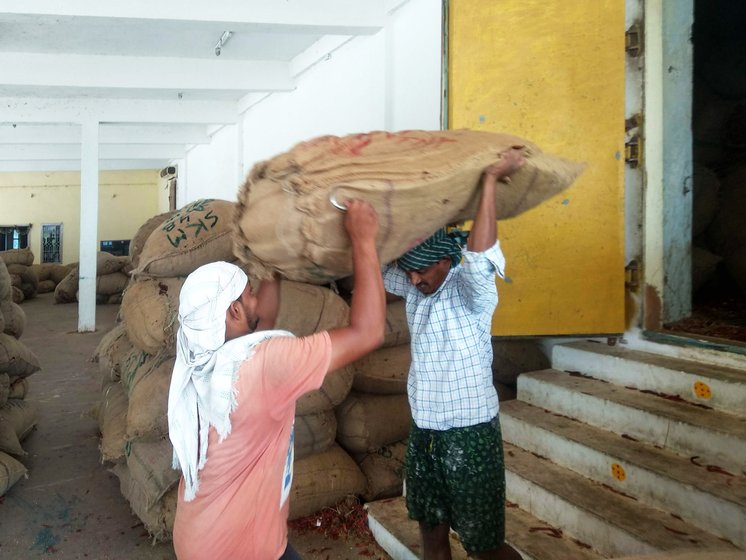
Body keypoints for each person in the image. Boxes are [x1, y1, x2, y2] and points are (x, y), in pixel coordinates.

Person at [167, 199, 385, 560]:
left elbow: (261, 323)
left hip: (200, 536)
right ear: (234, 310)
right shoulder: (265, 365)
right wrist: (364, 239)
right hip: (239, 550)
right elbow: (368, 331)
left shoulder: (201, 361)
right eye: (248, 292)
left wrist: (273, 259)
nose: (255, 297)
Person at [383, 147, 525, 560]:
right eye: (408, 270)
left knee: (485, 548)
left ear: (447, 260)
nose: (413, 278)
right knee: (431, 533)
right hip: (425, 431)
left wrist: (489, 181)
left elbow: (480, 255)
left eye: (422, 270)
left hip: (471, 434)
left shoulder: (472, 293)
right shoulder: (415, 289)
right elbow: (374, 262)